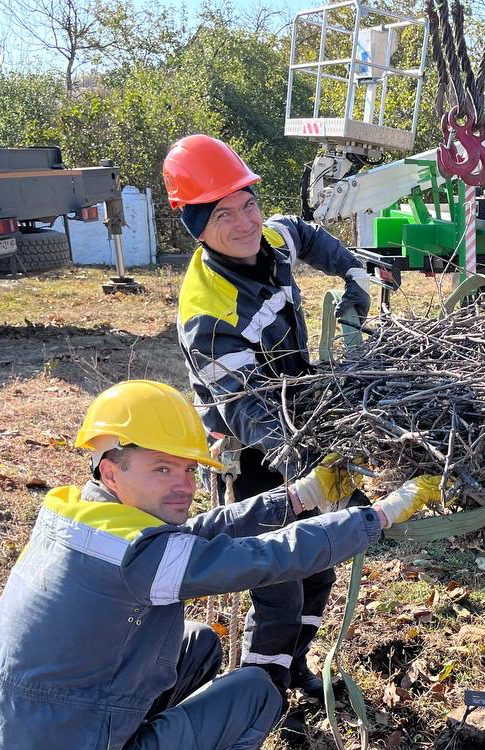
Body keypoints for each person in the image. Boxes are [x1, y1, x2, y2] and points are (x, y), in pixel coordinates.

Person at [0, 380, 443, 750]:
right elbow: (268, 558)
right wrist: (379, 515)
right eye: (162, 468)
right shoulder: (135, 556)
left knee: (199, 643)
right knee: (258, 694)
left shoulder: (76, 515)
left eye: (188, 470)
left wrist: (298, 496)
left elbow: (197, 535)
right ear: (111, 470)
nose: (182, 485)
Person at [161, 134, 374, 708]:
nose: (244, 221)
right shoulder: (208, 315)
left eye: (248, 202)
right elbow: (251, 413)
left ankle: (295, 666)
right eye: (223, 212)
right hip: (253, 453)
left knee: (320, 566)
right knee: (276, 581)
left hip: (298, 423)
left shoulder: (270, 237)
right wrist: (312, 468)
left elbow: (306, 234)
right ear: (196, 225)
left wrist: (354, 271)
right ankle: (261, 694)